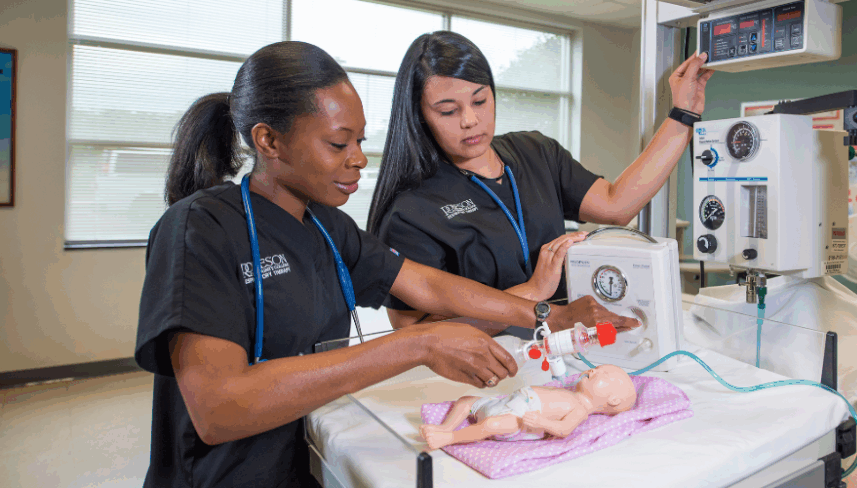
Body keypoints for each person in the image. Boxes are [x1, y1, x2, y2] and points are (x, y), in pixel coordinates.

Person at [134, 41, 636, 488]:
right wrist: (420, 343)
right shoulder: (198, 230)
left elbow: (429, 285)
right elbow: (220, 407)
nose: (358, 159)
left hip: (312, 460)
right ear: (268, 141)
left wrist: (547, 314)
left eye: (360, 141)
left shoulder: (328, 227)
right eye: (338, 144)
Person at [367, 32, 713, 330]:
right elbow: (415, 335)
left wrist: (683, 113)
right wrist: (532, 293)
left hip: (562, 349)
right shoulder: (411, 210)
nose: (470, 120)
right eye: (448, 111)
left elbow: (617, 204)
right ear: (420, 116)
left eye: (480, 100)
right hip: (478, 368)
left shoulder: (535, 152)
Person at [420, 364, 637, 449]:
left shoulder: (580, 410)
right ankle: (444, 427)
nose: (594, 370)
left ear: (613, 400)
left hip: (519, 420)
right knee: (466, 400)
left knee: (493, 424)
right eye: (597, 367)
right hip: (503, 403)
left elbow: (564, 430)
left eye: (604, 374)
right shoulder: (570, 391)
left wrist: (541, 422)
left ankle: (449, 438)